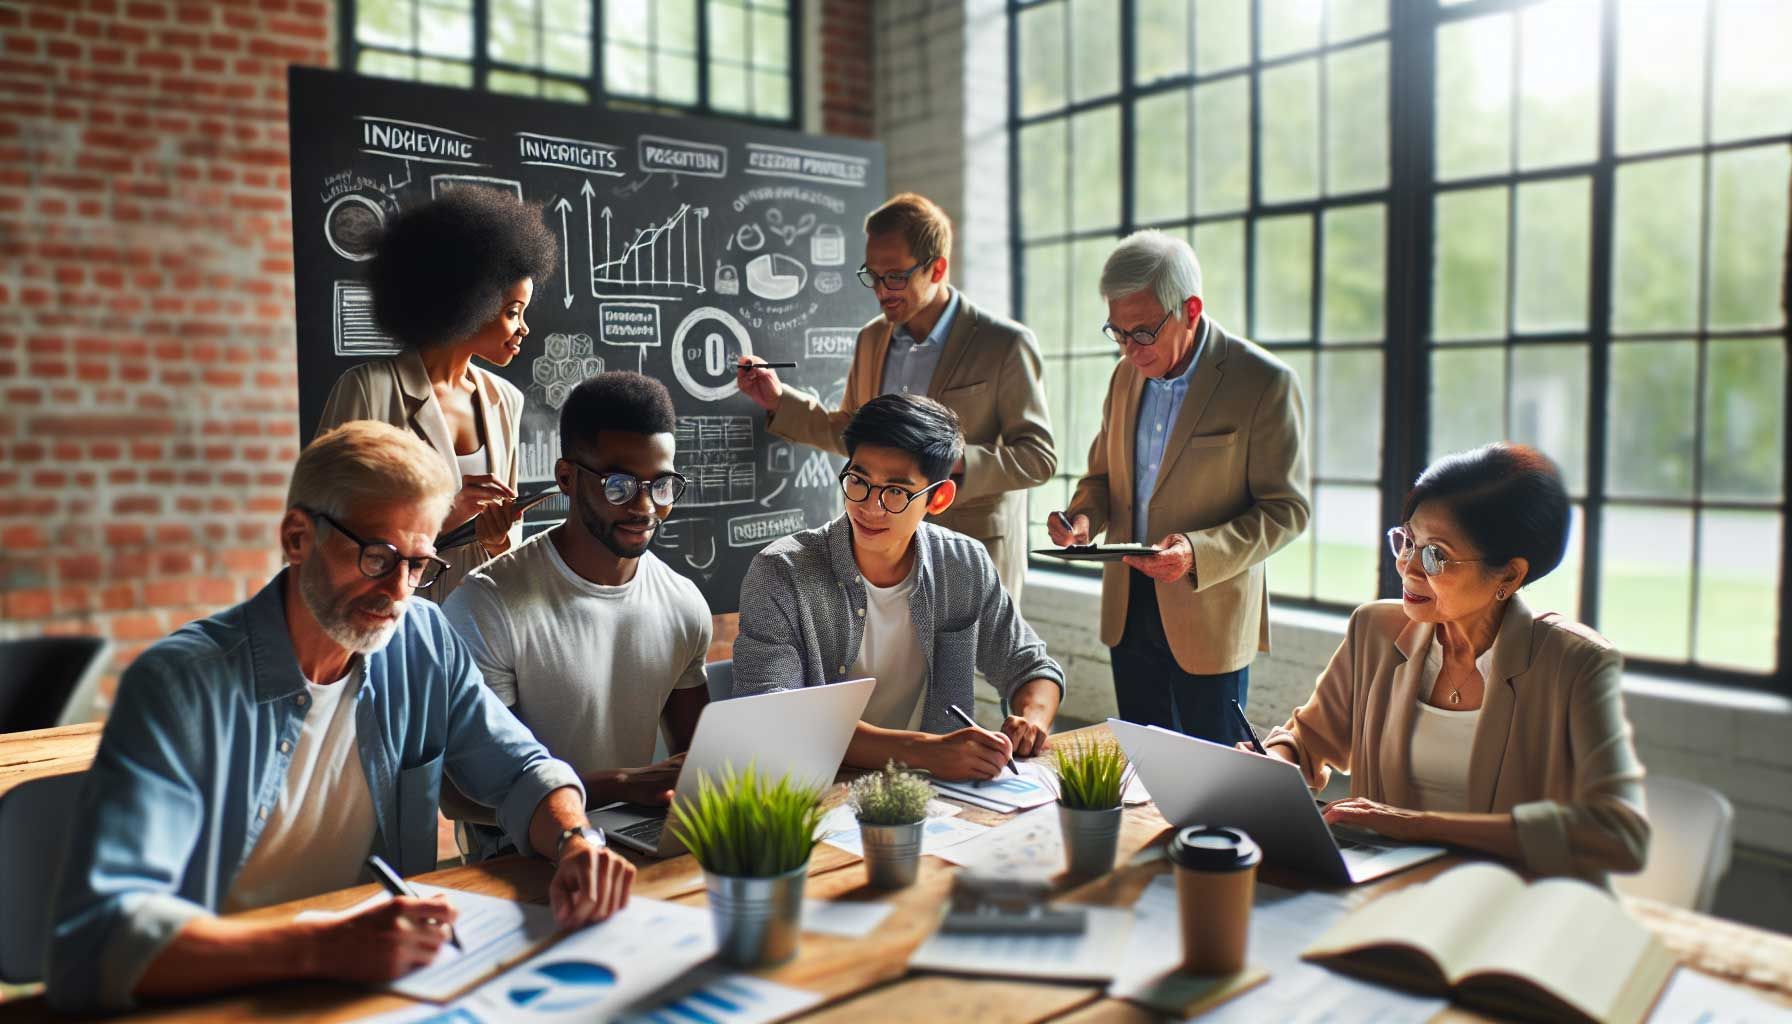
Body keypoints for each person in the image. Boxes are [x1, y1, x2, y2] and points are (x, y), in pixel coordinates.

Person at [46, 422, 634, 1014]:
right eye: (377, 558)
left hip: (384, 990)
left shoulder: (422, 639)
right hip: (228, 994)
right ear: (298, 537)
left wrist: (574, 840)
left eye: (417, 565)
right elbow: (103, 938)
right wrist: (323, 947)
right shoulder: (180, 686)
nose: (398, 592)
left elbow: (519, 770)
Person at [1256, 444, 1650, 884]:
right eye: (1407, 541)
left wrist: (1415, 825)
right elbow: (1308, 742)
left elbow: (1620, 834)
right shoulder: (1376, 630)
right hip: (1386, 890)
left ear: (1509, 575)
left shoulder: (1576, 664)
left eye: (1435, 555)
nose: (1407, 567)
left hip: (1511, 901)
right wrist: (1274, 762)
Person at [1048, 230, 1308, 741]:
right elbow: (1101, 477)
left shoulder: (1261, 382)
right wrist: (1082, 517)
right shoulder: (1125, 375)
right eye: (1117, 333)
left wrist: (1196, 552)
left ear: (1190, 309)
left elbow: (1287, 510)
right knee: (1143, 764)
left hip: (1208, 611)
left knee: (1213, 779)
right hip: (1128, 607)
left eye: (1142, 332)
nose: (1129, 350)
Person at [737, 192, 1055, 601]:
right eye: (873, 275)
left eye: (896, 277)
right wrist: (779, 400)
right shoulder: (872, 338)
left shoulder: (1005, 344)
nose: (882, 290)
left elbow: (1038, 457)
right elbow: (850, 432)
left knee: (964, 667)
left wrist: (946, 461)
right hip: (883, 554)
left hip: (971, 552)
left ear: (937, 268)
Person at [444, 373, 711, 856]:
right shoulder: (488, 603)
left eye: (662, 485)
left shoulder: (683, 602)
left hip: (637, 844)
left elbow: (698, 761)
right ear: (566, 478)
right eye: (618, 485)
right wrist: (625, 783)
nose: (645, 506)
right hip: (519, 860)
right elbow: (464, 794)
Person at [733, 393, 1064, 781]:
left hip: (936, 794)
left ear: (938, 498)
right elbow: (774, 716)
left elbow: (1032, 667)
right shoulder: (782, 572)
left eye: (896, 492)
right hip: (817, 787)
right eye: (858, 481)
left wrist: (1031, 720)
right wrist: (925, 751)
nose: (870, 507)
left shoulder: (963, 564)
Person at [317, 185, 559, 599]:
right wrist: (444, 514)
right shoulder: (368, 392)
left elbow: (505, 545)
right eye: (512, 312)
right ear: (467, 301)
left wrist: (499, 536)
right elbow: (327, 526)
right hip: (393, 619)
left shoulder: (505, 401)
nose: (524, 328)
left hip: (483, 622)